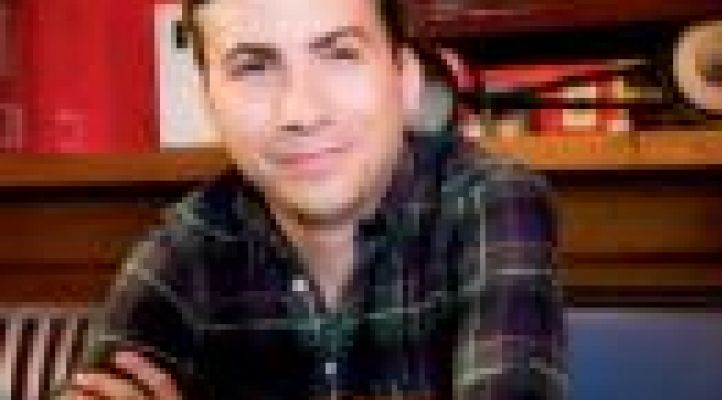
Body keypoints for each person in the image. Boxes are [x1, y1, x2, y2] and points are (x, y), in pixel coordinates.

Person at [62, 0, 566, 398]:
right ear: (210, 104)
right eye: (253, 67)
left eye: (340, 54)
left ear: (406, 79)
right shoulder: (185, 244)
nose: (301, 112)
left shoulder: (488, 200)